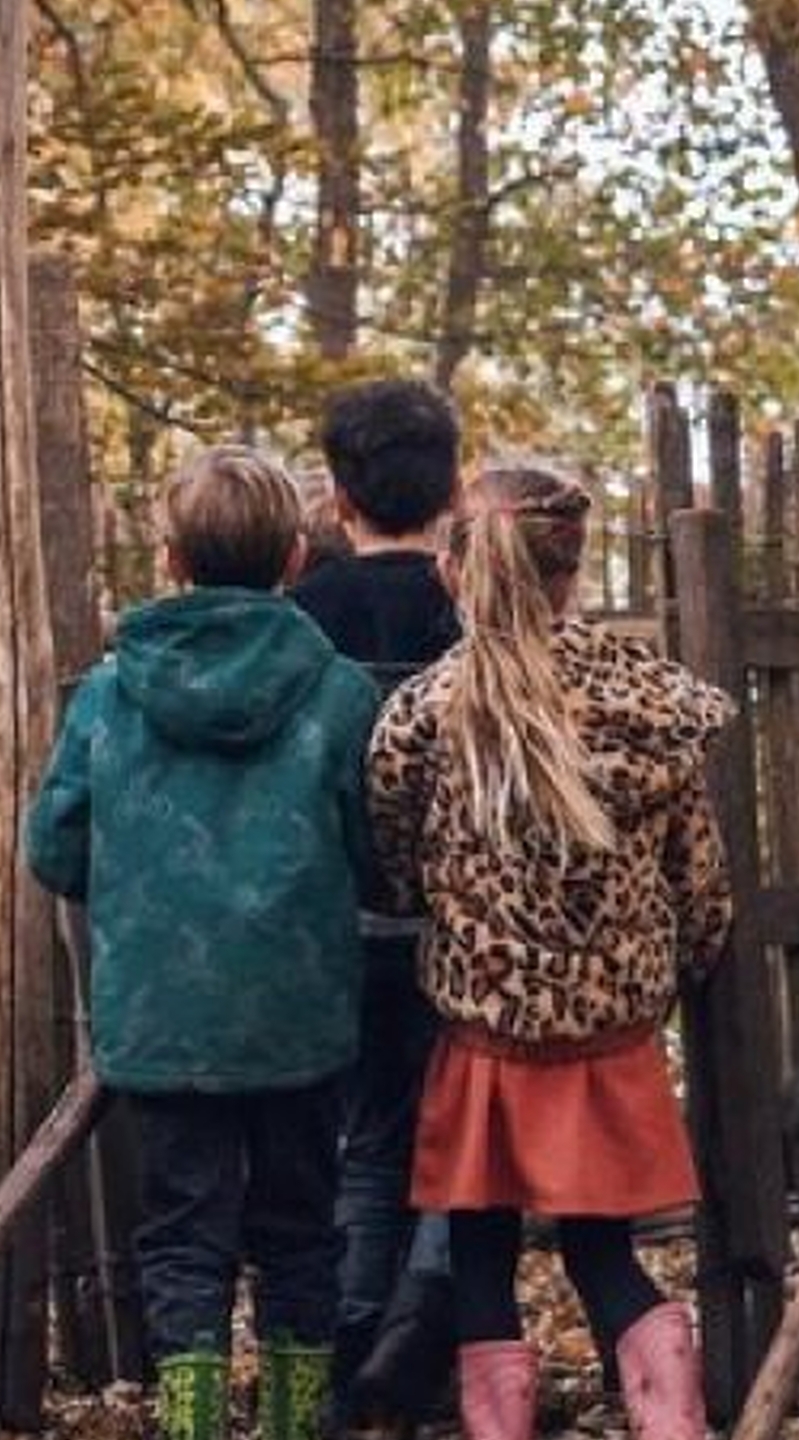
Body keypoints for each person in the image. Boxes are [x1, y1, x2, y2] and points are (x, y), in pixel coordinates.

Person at [25, 446, 382, 1440]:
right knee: (300, 1226)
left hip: (162, 1016)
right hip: (299, 1013)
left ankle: (192, 1424)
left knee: (182, 1230)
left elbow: (54, 848)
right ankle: (293, 1422)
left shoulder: (108, 695)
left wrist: (145, 889)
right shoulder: (339, 692)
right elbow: (380, 850)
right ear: (297, 556)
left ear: (170, 557)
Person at [367, 459, 728, 1440]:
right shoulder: (651, 701)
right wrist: (674, 966)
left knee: (478, 1251)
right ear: (574, 569)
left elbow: (396, 860)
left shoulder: (424, 713)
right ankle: (673, 1423)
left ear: (453, 572)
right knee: (602, 1252)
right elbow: (697, 879)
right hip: (609, 1032)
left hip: (486, 1029)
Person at [288, 376, 464, 1432]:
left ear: (336, 495)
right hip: (465, 923)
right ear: (455, 485)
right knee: (464, 1135)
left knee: (370, 1138)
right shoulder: (473, 611)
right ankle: (428, 1322)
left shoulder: (303, 620)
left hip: (345, 925)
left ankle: (359, 1335)